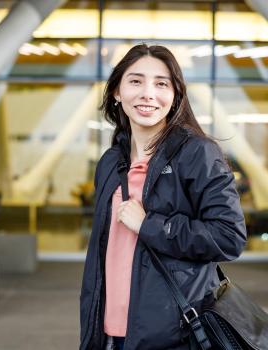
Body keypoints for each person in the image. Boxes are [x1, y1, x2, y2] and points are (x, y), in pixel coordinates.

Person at [79, 44, 247, 350]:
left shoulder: (197, 153)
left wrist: (150, 225)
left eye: (161, 83)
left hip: (174, 336)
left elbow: (229, 236)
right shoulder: (110, 162)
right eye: (135, 81)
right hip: (109, 334)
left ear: (175, 95)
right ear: (117, 91)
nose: (148, 93)